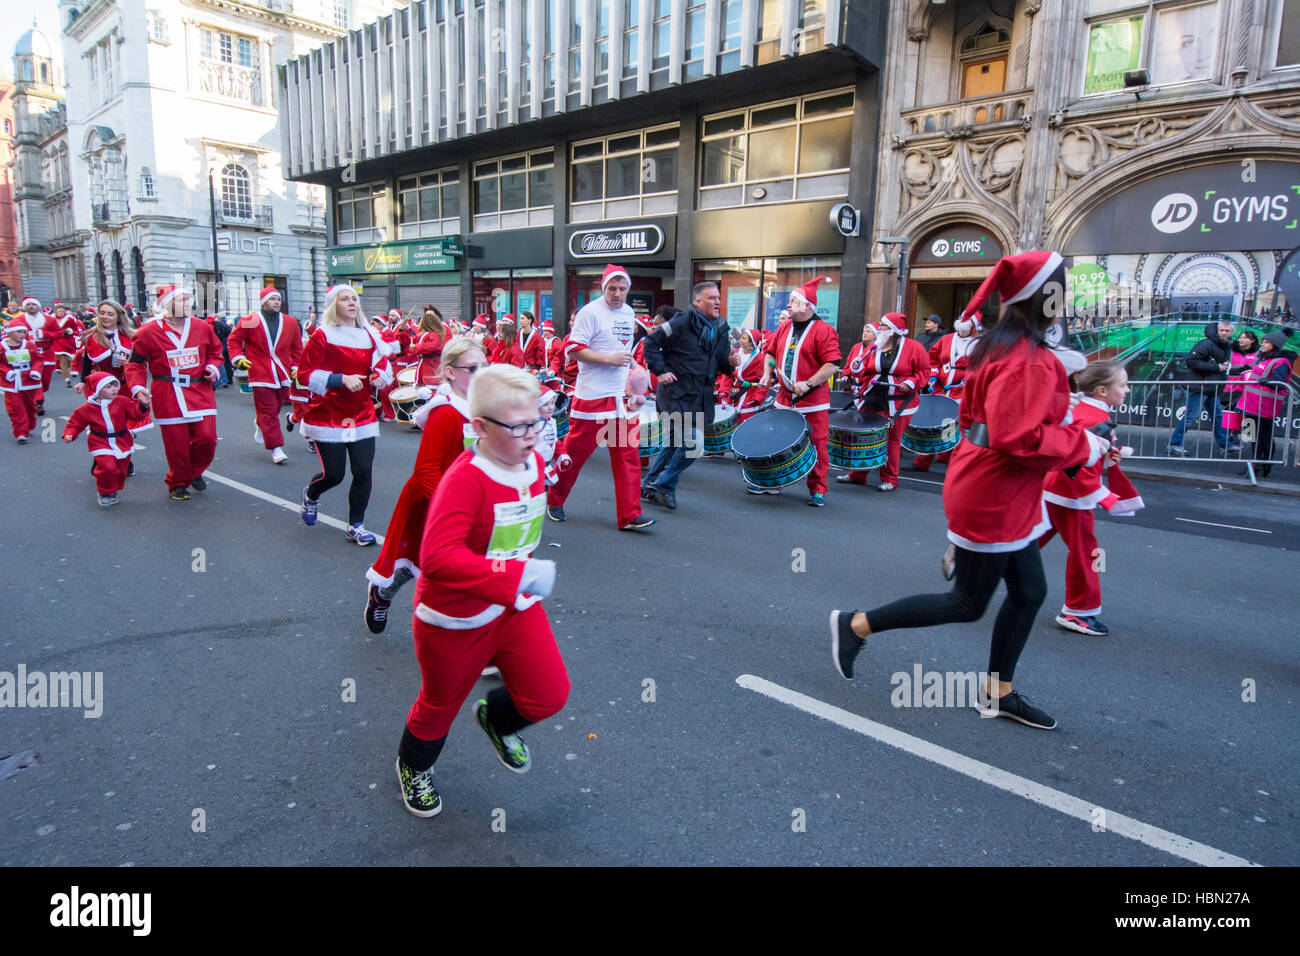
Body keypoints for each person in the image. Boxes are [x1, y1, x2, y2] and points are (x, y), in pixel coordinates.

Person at [830, 251, 1110, 731]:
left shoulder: (1002, 348)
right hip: (995, 492)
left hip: (994, 483)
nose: (1066, 302)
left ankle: (997, 692)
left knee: (1030, 591)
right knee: (967, 604)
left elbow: (988, 423)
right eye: (1061, 291)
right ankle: (855, 625)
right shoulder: (1027, 359)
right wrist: (1081, 443)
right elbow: (1017, 437)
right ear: (1046, 298)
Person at [394, 364, 569, 818]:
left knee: (548, 695)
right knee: (439, 706)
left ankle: (496, 718)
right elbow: (437, 558)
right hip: (454, 618)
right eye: (519, 426)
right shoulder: (466, 479)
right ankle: (413, 767)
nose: (532, 435)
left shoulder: (528, 456)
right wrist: (515, 576)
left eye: (537, 421)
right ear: (480, 428)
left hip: (512, 607)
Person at [365, 335, 486, 633]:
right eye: (471, 368)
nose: (480, 373)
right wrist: (452, 508)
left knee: (473, 568)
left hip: (472, 501)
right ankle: (382, 594)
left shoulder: (485, 408)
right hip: (435, 501)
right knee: (417, 563)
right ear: (449, 371)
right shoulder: (444, 412)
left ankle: (481, 638)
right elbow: (426, 470)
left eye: (483, 366)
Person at [545, 264, 655, 531]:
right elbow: (573, 350)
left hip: (620, 399)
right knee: (574, 454)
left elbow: (622, 351)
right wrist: (609, 359)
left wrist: (632, 368)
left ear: (628, 289)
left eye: (622, 289)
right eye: (612, 288)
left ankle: (629, 515)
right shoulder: (589, 312)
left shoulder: (629, 313)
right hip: (592, 397)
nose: (617, 294)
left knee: (628, 457)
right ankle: (554, 499)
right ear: (603, 288)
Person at [1039, 360, 1143, 637]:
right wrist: (1103, 494)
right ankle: (1077, 612)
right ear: (1101, 390)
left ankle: (976, 569)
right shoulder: (1092, 417)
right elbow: (1075, 458)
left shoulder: (1087, 411)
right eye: (1122, 384)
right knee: (1087, 553)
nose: (1127, 390)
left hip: (1058, 488)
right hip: (1070, 492)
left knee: (1027, 538)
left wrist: (1109, 453)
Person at [297, 284, 395, 544]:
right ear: (334, 305)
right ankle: (312, 494)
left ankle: (356, 525)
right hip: (327, 415)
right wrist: (339, 379)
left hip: (361, 414)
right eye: (345, 299)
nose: (352, 302)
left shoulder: (369, 335)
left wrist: (380, 377)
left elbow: (384, 364)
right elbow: (304, 375)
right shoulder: (322, 335)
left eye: (354, 299)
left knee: (363, 470)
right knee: (334, 475)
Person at [640, 281, 734, 510]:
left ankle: (649, 483)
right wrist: (661, 372)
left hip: (700, 398)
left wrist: (731, 363)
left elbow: (722, 362)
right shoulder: (680, 322)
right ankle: (664, 485)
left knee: (675, 442)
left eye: (718, 298)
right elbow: (651, 342)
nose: (717, 302)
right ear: (697, 301)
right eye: (711, 298)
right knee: (694, 442)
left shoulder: (720, 328)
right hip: (674, 394)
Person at [125, 285, 223, 500]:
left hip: (199, 391)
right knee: (177, 446)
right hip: (167, 392)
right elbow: (135, 364)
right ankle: (178, 482)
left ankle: (193, 472)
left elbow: (216, 352)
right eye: (181, 300)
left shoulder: (201, 327)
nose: (188, 304)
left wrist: (213, 368)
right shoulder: (148, 332)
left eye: (189, 299)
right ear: (165, 305)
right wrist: (138, 388)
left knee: (208, 439)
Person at [757, 277, 843, 506]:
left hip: (813, 401)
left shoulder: (824, 330)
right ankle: (774, 482)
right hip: (784, 398)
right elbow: (770, 353)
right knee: (776, 441)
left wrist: (810, 383)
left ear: (807, 306)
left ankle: (818, 489)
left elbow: (832, 364)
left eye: (794, 300)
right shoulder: (785, 326)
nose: (788, 304)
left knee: (817, 444)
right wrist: (767, 373)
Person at [837, 313, 930, 492]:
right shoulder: (874, 348)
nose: (879, 329)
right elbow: (863, 371)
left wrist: (911, 383)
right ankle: (858, 475)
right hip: (872, 398)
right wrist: (855, 370)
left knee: (892, 440)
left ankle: (890, 479)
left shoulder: (914, 347)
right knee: (865, 437)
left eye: (883, 326)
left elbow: (924, 371)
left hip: (898, 402)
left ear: (894, 330)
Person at [228, 287, 303, 465]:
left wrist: (296, 366)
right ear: (263, 302)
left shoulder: (290, 322)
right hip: (260, 372)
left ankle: (260, 423)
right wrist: (238, 358)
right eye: (273, 299)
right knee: (269, 411)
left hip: (283, 372)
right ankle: (276, 448)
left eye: (279, 299)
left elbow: (297, 347)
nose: (277, 302)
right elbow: (234, 340)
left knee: (275, 409)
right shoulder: (250, 320)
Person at [61, 372, 152, 507]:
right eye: (108, 387)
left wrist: (144, 406)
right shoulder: (87, 408)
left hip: (122, 440)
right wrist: (69, 434)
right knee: (108, 467)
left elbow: (136, 415)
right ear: (98, 390)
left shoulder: (122, 401)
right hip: (100, 442)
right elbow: (75, 422)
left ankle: (113, 486)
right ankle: (106, 492)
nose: (114, 389)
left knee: (121, 470)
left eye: (115, 385)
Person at [912, 313, 982, 472]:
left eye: (968, 320)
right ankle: (922, 461)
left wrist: (970, 380)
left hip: (964, 392)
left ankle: (952, 461)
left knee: (956, 425)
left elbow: (984, 366)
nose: (963, 322)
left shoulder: (980, 344)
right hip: (941, 388)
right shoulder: (946, 339)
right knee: (934, 424)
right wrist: (933, 377)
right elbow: (933, 360)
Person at [1168, 319, 1235, 455]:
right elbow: (1191, 361)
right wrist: (1216, 367)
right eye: (1221, 330)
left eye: (1226, 331)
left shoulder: (1227, 346)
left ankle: (1226, 444)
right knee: (1191, 417)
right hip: (1201, 386)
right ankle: (1174, 444)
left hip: (1212, 387)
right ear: (1217, 330)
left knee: (1217, 417)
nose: (1224, 333)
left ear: (1231, 332)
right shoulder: (1206, 344)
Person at [1234, 331, 1293, 477]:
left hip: (1264, 406)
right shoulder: (1264, 358)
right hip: (1251, 405)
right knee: (1252, 436)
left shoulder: (1281, 362)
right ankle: (1253, 463)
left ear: (1274, 345)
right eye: (1263, 341)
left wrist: (1269, 382)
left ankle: (1263, 465)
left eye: (1266, 342)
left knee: (1264, 437)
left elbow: (1279, 384)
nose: (1263, 344)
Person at [1, 322, 45, 443]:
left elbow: (39, 359)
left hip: (28, 380)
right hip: (11, 381)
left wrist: (35, 371)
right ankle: (20, 432)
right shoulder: (2, 346)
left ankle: (29, 425)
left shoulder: (29, 345)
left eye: (23, 332)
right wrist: (7, 372)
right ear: (9, 333)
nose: (22, 334)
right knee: (15, 408)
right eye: (18, 332)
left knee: (30, 406)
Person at [79, 299, 137, 388]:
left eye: (110, 314)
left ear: (118, 317)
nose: (105, 317)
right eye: (102, 313)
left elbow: (141, 362)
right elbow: (86, 360)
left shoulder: (130, 335)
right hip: (100, 387)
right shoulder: (92, 335)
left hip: (127, 385)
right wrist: (82, 381)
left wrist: (127, 362)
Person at [730, 327, 769, 422]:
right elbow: (728, 374)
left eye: (744, 338)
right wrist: (725, 390)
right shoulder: (735, 353)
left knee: (745, 422)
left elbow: (764, 380)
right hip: (735, 391)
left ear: (752, 342)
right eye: (741, 338)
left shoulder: (759, 358)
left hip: (749, 395)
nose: (741, 340)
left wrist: (757, 398)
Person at [50, 302, 80, 387]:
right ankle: (67, 379)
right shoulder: (52, 319)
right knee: (62, 360)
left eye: (63, 311)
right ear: (56, 311)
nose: (61, 313)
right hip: (57, 342)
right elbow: (49, 330)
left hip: (68, 342)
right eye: (59, 311)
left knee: (71, 360)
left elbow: (76, 331)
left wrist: (69, 331)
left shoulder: (69, 319)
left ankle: (73, 368)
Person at [413, 307, 445, 385]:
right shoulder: (425, 334)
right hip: (426, 365)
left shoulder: (433, 334)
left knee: (430, 389)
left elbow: (434, 346)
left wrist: (416, 346)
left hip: (431, 366)